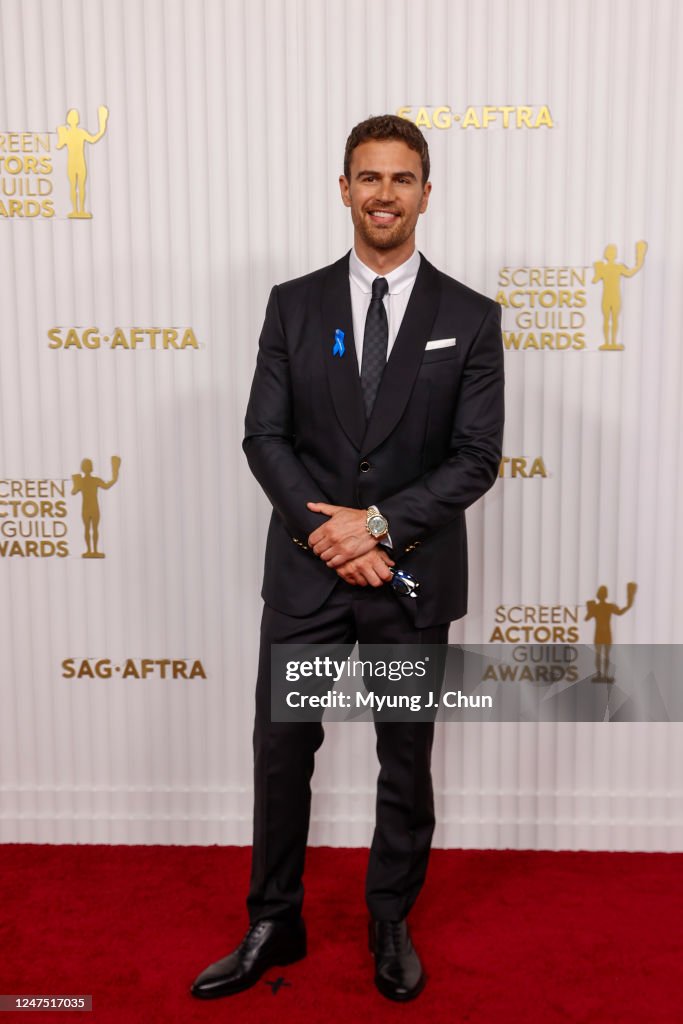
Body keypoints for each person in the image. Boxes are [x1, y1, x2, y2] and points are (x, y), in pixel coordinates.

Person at [191, 114, 505, 1002]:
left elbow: (475, 457)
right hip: (304, 577)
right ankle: (272, 921)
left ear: (425, 194)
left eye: (401, 179)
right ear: (343, 189)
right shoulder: (292, 304)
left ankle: (389, 920)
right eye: (368, 177)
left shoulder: (470, 319)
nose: (383, 194)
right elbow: (264, 435)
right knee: (281, 750)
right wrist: (327, 534)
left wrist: (375, 529)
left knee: (404, 758)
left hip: (408, 583)